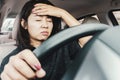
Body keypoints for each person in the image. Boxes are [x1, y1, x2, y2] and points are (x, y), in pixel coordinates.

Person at [0, 0, 81, 80]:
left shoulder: (64, 44)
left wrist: (62, 13)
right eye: (38, 20)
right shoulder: (13, 60)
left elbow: (91, 45)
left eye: (49, 21)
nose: (45, 25)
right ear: (24, 24)